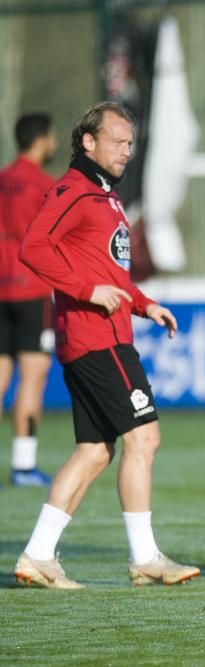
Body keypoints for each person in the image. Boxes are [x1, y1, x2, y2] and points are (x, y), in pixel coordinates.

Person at [12, 101, 199, 589]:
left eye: (131, 142)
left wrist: (144, 304)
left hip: (102, 336)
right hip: (98, 340)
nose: (126, 150)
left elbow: (110, 273)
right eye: (117, 140)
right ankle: (145, 558)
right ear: (87, 142)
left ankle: (37, 555)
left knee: (95, 452)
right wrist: (86, 291)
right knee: (145, 437)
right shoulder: (73, 190)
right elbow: (33, 247)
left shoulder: (106, 198)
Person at [0, 113, 58, 487]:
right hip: (32, 289)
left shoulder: (2, 180)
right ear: (41, 140)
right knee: (33, 378)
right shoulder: (42, 185)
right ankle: (23, 466)